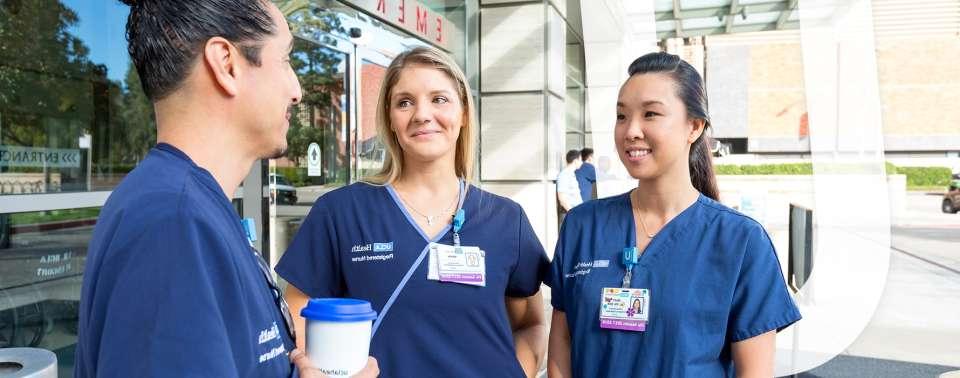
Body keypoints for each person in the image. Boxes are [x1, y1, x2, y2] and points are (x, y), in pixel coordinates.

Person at [74, 1, 376, 376]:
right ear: (226, 63)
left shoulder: (188, 207)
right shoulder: (172, 223)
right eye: (284, 59)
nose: (297, 90)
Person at [276, 46, 549, 377]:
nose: (422, 114)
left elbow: (530, 324)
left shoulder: (506, 219)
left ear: (463, 113)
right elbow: (298, 317)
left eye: (439, 99)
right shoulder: (341, 213)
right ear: (390, 120)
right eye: (405, 102)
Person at [546, 52, 801, 377]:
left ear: (694, 126)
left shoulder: (741, 241)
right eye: (622, 116)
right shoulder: (582, 225)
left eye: (650, 114)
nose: (631, 131)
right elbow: (562, 342)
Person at [557, 149, 583, 215]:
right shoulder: (564, 175)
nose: (582, 162)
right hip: (569, 213)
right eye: (580, 160)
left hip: (575, 212)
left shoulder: (571, 174)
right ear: (575, 161)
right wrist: (572, 213)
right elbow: (562, 198)